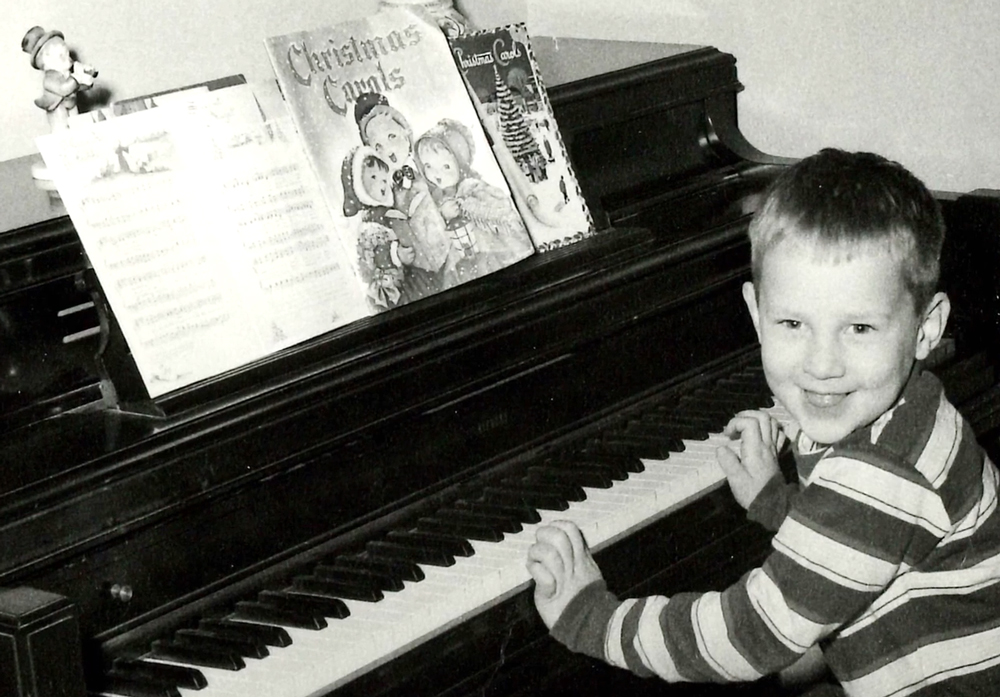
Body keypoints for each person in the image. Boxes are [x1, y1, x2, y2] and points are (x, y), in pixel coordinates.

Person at [526, 149, 1000, 696]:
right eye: (793, 322)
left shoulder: (881, 470)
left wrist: (593, 620)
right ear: (757, 314)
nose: (822, 365)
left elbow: (755, 636)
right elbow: (862, 540)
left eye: (860, 329)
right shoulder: (906, 412)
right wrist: (778, 503)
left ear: (926, 327)